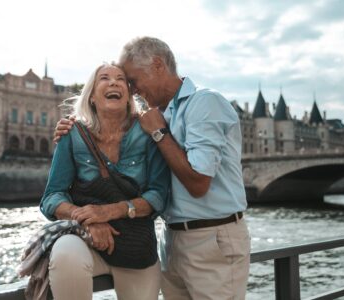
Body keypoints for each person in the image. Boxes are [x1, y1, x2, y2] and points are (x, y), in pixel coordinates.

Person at [55, 37, 250, 300]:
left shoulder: (204, 103)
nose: (133, 90)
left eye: (132, 80)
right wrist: (72, 128)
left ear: (157, 65)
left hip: (212, 237)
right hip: (172, 239)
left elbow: (199, 183)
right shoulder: (158, 114)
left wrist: (158, 132)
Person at [40, 63, 170, 300]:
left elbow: (159, 195)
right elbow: (51, 198)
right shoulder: (73, 133)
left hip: (136, 248)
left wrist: (109, 211)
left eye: (121, 79)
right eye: (104, 78)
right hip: (86, 241)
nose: (113, 82)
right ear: (91, 96)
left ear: (129, 95)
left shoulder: (147, 133)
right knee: (65, 254)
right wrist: (87, 220)